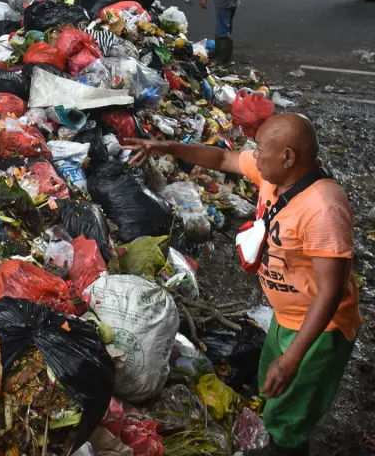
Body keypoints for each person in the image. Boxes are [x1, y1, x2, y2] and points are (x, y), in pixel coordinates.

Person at [128, 114, 360, 456]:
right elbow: (223, 158)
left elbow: (330, 292)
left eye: (261, 150)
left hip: (320, 330)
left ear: (289, 156)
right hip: (286, 317)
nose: (255, 155)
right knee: (272, 390)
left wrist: (295, 356)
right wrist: (168, 147)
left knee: (290, 415)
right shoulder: (274, 176)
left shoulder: (323, 210)